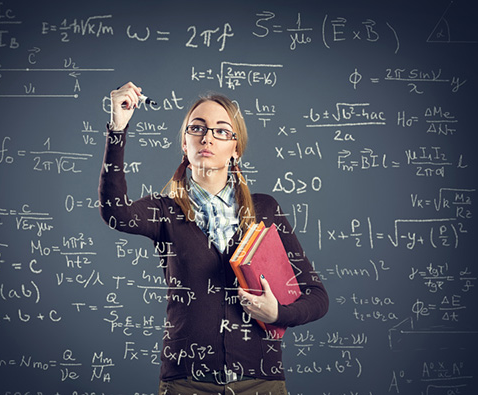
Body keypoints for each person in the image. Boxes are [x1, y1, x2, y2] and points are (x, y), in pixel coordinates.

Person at [99, 82, 329, 395]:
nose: (207, 137)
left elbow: (317, 296)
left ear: (236, 149)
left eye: (221, 131)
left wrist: (278, 314)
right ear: (184, 143)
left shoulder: (265, 208)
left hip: (261, 383)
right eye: (197, 128)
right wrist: (118, 128)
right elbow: (116, 213)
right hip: (185, 383)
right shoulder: (164, 211)